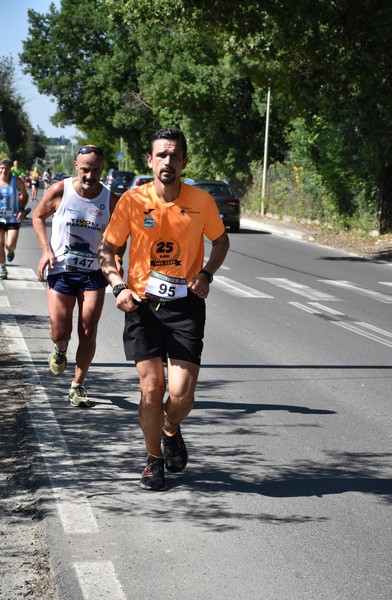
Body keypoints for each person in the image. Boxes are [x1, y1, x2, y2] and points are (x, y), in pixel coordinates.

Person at [98, 127, 230, 491]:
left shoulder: (201, 201)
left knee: (182, 394)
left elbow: (221, 241)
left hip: (185, 305)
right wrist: (118, 286)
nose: (167, 161)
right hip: (141, 304)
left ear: (184, 161)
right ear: (150, 161)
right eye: (161, 155)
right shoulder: (131, 201)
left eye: (174, 155)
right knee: (152, 390)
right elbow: (108, 251)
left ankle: (171, 428)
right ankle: (154, 459)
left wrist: (206, 274)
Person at [33, 145, 121, 407]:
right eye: (85, 169)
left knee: (87, 329)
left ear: (102, 169)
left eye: (95, 170)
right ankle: (60, 349)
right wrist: (46, 250)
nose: (90, 175)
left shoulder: (110, 200)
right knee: (61, 330)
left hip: (94, 273)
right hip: (61, 269)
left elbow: (120, 236)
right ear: (76, 166)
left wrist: (117, 257)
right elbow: (37, 217)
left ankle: (77, 385)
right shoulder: (61, 190)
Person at [0, 157, 29, 279]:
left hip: (12, 217)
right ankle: (2, 268)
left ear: (10, 169)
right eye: (1, 168)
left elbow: (25, 195)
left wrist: (22, 209)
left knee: (10, 244)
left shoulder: (16, 181)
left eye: (6, 169)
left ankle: (10, 251)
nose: (3, 171)